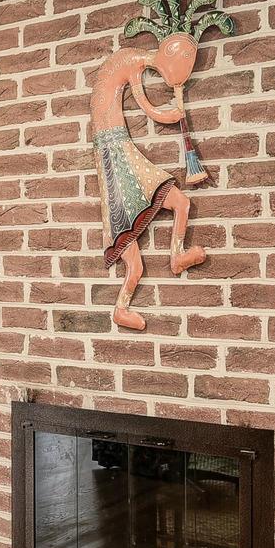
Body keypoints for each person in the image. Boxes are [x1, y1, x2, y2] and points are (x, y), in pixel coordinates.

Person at [89, 29, 208, 331]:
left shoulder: (133, 61)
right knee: (135, 257)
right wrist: (175, 113)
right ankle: (122, 307)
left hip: (117, 150)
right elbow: (150, 108)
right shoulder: (130, 62)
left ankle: (177, 255)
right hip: (115, 154)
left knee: (180, 202)